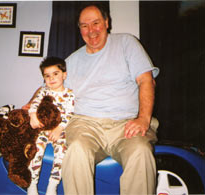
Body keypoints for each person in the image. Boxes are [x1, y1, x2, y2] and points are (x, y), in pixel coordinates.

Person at [60, 3, 160, 195]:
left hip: (125, 124)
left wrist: (143, 118)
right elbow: (50, 88)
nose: (91, 31)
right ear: (79, 29)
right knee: (76, 150)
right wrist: (30, 106)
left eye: (96, 23)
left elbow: (146, 80)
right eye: (84, 26)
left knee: (141, 152)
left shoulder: (126, 43)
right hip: (85, 125)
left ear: (106, 23)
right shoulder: (71, 61)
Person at [26, 57, 75, 195]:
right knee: (35, 150)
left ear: (64, 75)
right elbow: (34, 104)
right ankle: (32, 183)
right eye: (47, 76)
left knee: (61, 152)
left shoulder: (69, 94)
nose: (51, 78)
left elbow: (69, 114)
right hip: (42, 128)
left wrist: (59, 128)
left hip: (59, 130)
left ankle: (52, 185)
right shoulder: (44, 91)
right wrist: (33, 115)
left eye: (55, 74)